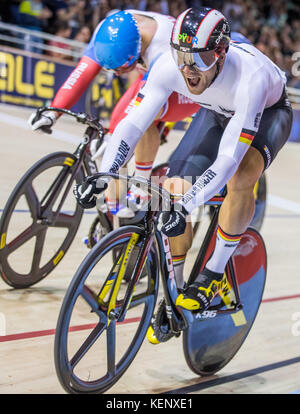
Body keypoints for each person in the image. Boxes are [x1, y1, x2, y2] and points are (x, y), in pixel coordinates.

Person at [73, 7, 292, 314]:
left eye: (199, 60)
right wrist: (105, 174)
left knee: (240, 176)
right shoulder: (169, 66)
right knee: (174, 187)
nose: (188, 70)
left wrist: (188, 204)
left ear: (220, 53)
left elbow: (229, 157)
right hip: (216, 112)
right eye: (181, 57)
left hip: (268, 113)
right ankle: (173, 291)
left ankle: (213, 273)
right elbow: (132, 123)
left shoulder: (250, 79)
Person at [28, 9, 200, 216]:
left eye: (120, 68)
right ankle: (112, 209)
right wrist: (53, 112)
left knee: (140, 119)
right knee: (116, 134)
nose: (115, 74)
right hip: (148, 76)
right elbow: (81, 74)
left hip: (185, 90)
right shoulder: (107, 30)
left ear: (137, 52)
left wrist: (116, 139)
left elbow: (139, 112)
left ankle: (142, 186)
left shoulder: (163, 47)